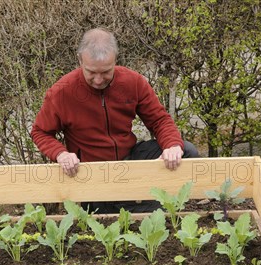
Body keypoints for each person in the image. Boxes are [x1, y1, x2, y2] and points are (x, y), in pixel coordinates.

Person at [31, 28, 199, 213]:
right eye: (91, 72)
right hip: (92, 171)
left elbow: (159, 120)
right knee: (109, 217)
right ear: (80, 60)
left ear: (115, 60)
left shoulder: (133, 82)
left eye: (105, 72)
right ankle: (140, 209)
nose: (98, 79)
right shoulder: (61, 92)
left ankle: (155, 208)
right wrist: (61, 154)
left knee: (186, 151)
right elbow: (40, 132)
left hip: (129, 158)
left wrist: (172, 145)